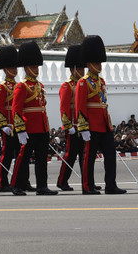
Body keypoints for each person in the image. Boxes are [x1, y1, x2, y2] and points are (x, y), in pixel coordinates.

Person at [76, 35, 126, 194]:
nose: (99, 65)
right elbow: (80, 106)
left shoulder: (101, 82)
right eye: (96, 62)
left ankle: (110, 184)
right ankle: (87, 186)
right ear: (89, 63)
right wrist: (83, 127)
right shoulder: (83, 82)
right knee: (88, 158)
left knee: (110, 156)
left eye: (99, 62)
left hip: (104, 124)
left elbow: (103, 104)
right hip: (91, 125)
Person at [10, 42, 56, 196]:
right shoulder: (21, 87)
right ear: (26, 67)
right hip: (28, 128)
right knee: (22, 159)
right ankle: (15, 184)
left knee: (42, 159)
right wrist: (20, 129)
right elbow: (16, 110)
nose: (36, 69)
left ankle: (42, 185)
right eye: (34, 66)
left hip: (42, 127)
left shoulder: (39, 85)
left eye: (37, 67)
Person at [56, 44, 84, 191]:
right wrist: (68, 126)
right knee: (70, 156)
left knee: (85, 156)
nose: (82, 71)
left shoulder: (83, 85)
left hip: (83, 126)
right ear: (72, 69)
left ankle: (87, 181)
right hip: (72, 127)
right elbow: (64, 109)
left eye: (82, 68)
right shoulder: (67, 86)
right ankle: (62, 181)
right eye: (79, 69)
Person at [0, 46, 19, 193]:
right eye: (11, 66)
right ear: (5, 69)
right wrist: (3, 125)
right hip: (8, 126)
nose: (14, 69)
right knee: (7, 155)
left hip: (19, 125)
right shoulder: (2, 88)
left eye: (15, 66)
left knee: (21, 156)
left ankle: (21, 180)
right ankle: (3, 182)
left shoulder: (18, 86)